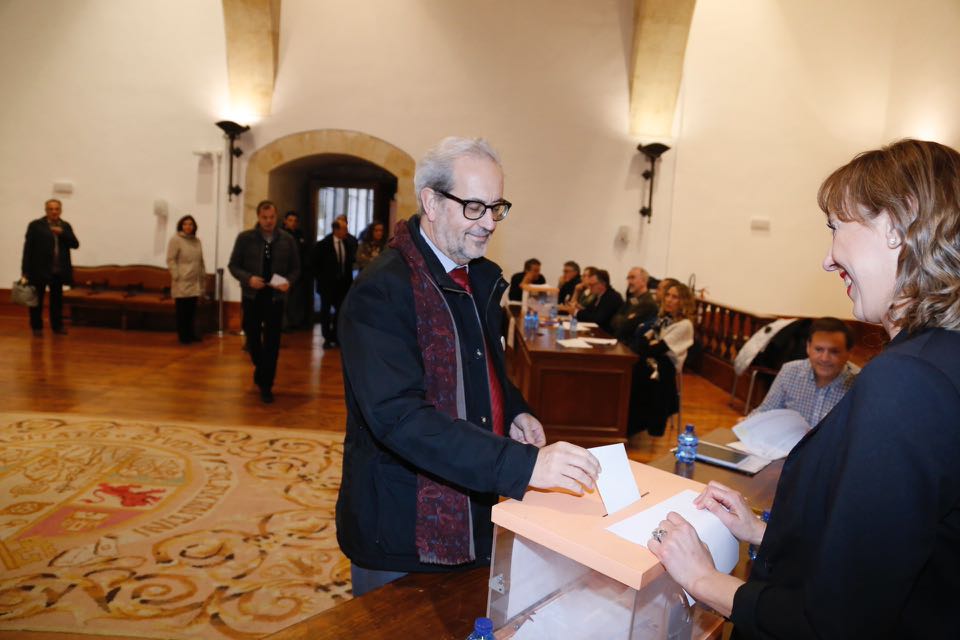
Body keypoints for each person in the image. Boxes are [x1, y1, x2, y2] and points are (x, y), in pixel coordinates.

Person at [648, 139, 960, 638]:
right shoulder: (942, 359)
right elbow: (888, 555)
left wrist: (703, 580)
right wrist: (763, 532)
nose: (828, 259)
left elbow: (836, 622)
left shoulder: (908, 382)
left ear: (898, 223)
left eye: (837, 228)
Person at [335, 136, 600, 597]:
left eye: (497, 207)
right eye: (474, 206)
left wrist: (514, 410)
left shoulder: (477, 275)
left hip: (475, 503)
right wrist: (522, 465)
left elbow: (484, 365)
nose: (490, 223)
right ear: (431, 202)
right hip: (401, 527)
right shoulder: (382, 290)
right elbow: (401, 419)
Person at [228, 200, 300, 403]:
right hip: (252, 296)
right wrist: (248, 278)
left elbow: (296, 269)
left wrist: (288, 282)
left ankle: (266, 384)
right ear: (258, 217)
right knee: (252, 338)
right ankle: (261, 369)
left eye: (272, 217)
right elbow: (233, 265)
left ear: (276, 218)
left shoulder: (287, 240)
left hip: (275, 298)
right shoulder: (245, 239)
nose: (268, 221)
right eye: (264, 217)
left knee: (272, 342)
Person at [749, 317, 858, 426]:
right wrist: (747, 424)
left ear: (849, 353)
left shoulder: (860, 382)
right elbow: (766, 411)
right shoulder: (790, 371)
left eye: (834, 351)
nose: (824, 358)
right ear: (808, 347)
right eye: (818, 349)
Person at [626, 281, 695, 438]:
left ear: (683, 302)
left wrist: (650, 343)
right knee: (631, 366)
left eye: (675, 297)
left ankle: (633, 424)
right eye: (668, 295)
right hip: (654, 360)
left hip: (666, 367)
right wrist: (648, 344)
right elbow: (641, 341)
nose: (669, 300)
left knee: (637, 373)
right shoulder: (664, 318)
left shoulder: (685, 325)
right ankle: (625, 421)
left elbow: (656, 349)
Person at [21, 199, 80, 336]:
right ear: (46, 210)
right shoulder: (36, 225)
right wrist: (25, 271)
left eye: (56, 209)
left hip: (57, 271)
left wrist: (62, 233)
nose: (54, 211)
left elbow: (75, 244)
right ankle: (37, 328)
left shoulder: (65, 226)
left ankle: (57, 326)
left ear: (61, 210)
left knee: (57, 301)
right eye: (51, 209)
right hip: (39, 270)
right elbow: (28, 249)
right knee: (36, 301)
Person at [313, 219, 356, 348]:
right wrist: (321, 279)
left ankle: (336, 336)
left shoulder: (347, 244)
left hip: (343, 285)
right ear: (336, 230)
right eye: (344, 229)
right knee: (325, 312)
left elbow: (348, 264)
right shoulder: (323, 245)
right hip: (327, 285)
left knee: (340, 311)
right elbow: (315, 265)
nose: (346, 231)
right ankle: (326, 338)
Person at [166, 214, 206, 344]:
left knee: (191, 310)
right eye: (185, 224)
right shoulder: (176, 240)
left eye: (190, 224)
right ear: (181, 226)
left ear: (194, 226)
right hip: (182, 280)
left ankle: (191, 334)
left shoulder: (197, 241)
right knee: (182, 311)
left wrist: (203, 276)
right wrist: (176, 274)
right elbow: (170, 259)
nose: (188, 226)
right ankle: (183, 336)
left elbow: (200, 260)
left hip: (195, 280)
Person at [610, 266, 659, 342]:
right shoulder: (632, 299)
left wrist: (622, 319)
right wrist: (625, 319)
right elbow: (613, 320)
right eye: (628, 278)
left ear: (644, 281)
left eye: (632, 278)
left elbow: (626, 327)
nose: (629, 282)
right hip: (619, 341)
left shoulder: (648, 303)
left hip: (630, 346)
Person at [281, 211, 311, 330]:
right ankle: (283, 324)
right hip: (285, 272)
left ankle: (295, 322)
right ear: (285, 221)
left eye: (295, 221)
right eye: (290, 220)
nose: (293, 223)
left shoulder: (299, 234)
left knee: (296, 299)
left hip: (299, 271)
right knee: (284, 299)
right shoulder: (282, 235)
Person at [574, 269, 623, 334]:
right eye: (589, 285)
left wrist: (576, 312)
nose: (590, 287)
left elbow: (597, 319)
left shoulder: (612, 297)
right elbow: (590, 312)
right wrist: (579, 308)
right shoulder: (598, 295)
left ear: (602, 284)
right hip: (597, 332)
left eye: (592, 285)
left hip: (607, 335)